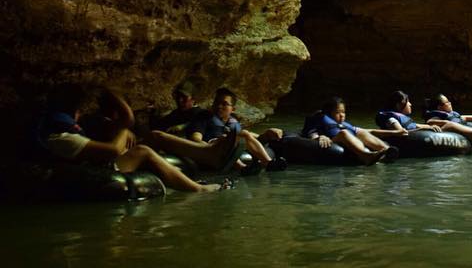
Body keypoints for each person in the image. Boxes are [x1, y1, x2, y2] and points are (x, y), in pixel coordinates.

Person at [35, 84, 230, 193]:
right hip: (95, 171)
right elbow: (112, 150)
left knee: (156, 137)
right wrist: (125, 127)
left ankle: (208, 154)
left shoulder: (71, 130)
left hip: (103, 159)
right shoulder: (63, 137)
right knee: (143, 151)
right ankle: (197, 189)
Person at [148, 87, 286, 172]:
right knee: (238, 136)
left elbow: (250, 137)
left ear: (233, 109)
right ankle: (245, 167)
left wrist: (266, 134)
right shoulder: (204, 117)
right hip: (211, 148)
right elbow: (196, 139)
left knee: (243, 134)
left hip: (227, 146)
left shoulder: (233, 122)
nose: (219, 106)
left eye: (224, 104)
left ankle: (268, 163)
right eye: (217, 103)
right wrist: (212, 147)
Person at [373, 90, 472, 145]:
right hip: (411, 141)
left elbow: (418, 125)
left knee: (449, 125)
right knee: (450, 125)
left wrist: (430, 127)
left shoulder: (401, 117)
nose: (411, 104)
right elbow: (400, 133)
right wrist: (428, 128)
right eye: (408, 102)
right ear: (399, 105)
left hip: (427, 134)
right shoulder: (391, 119)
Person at [301, 97, 396, 164]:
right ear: (328, 113)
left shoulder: (343, 124)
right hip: (332, 141)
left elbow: (367, 131)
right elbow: (312, 134)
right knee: (344, 133)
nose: (342, 115)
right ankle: (366, 156)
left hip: (346, 139)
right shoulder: (319, 119)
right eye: (338, 112)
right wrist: (320, 137)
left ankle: (386, 150)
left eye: (343, 112)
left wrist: (394, 132)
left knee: (361, 132)